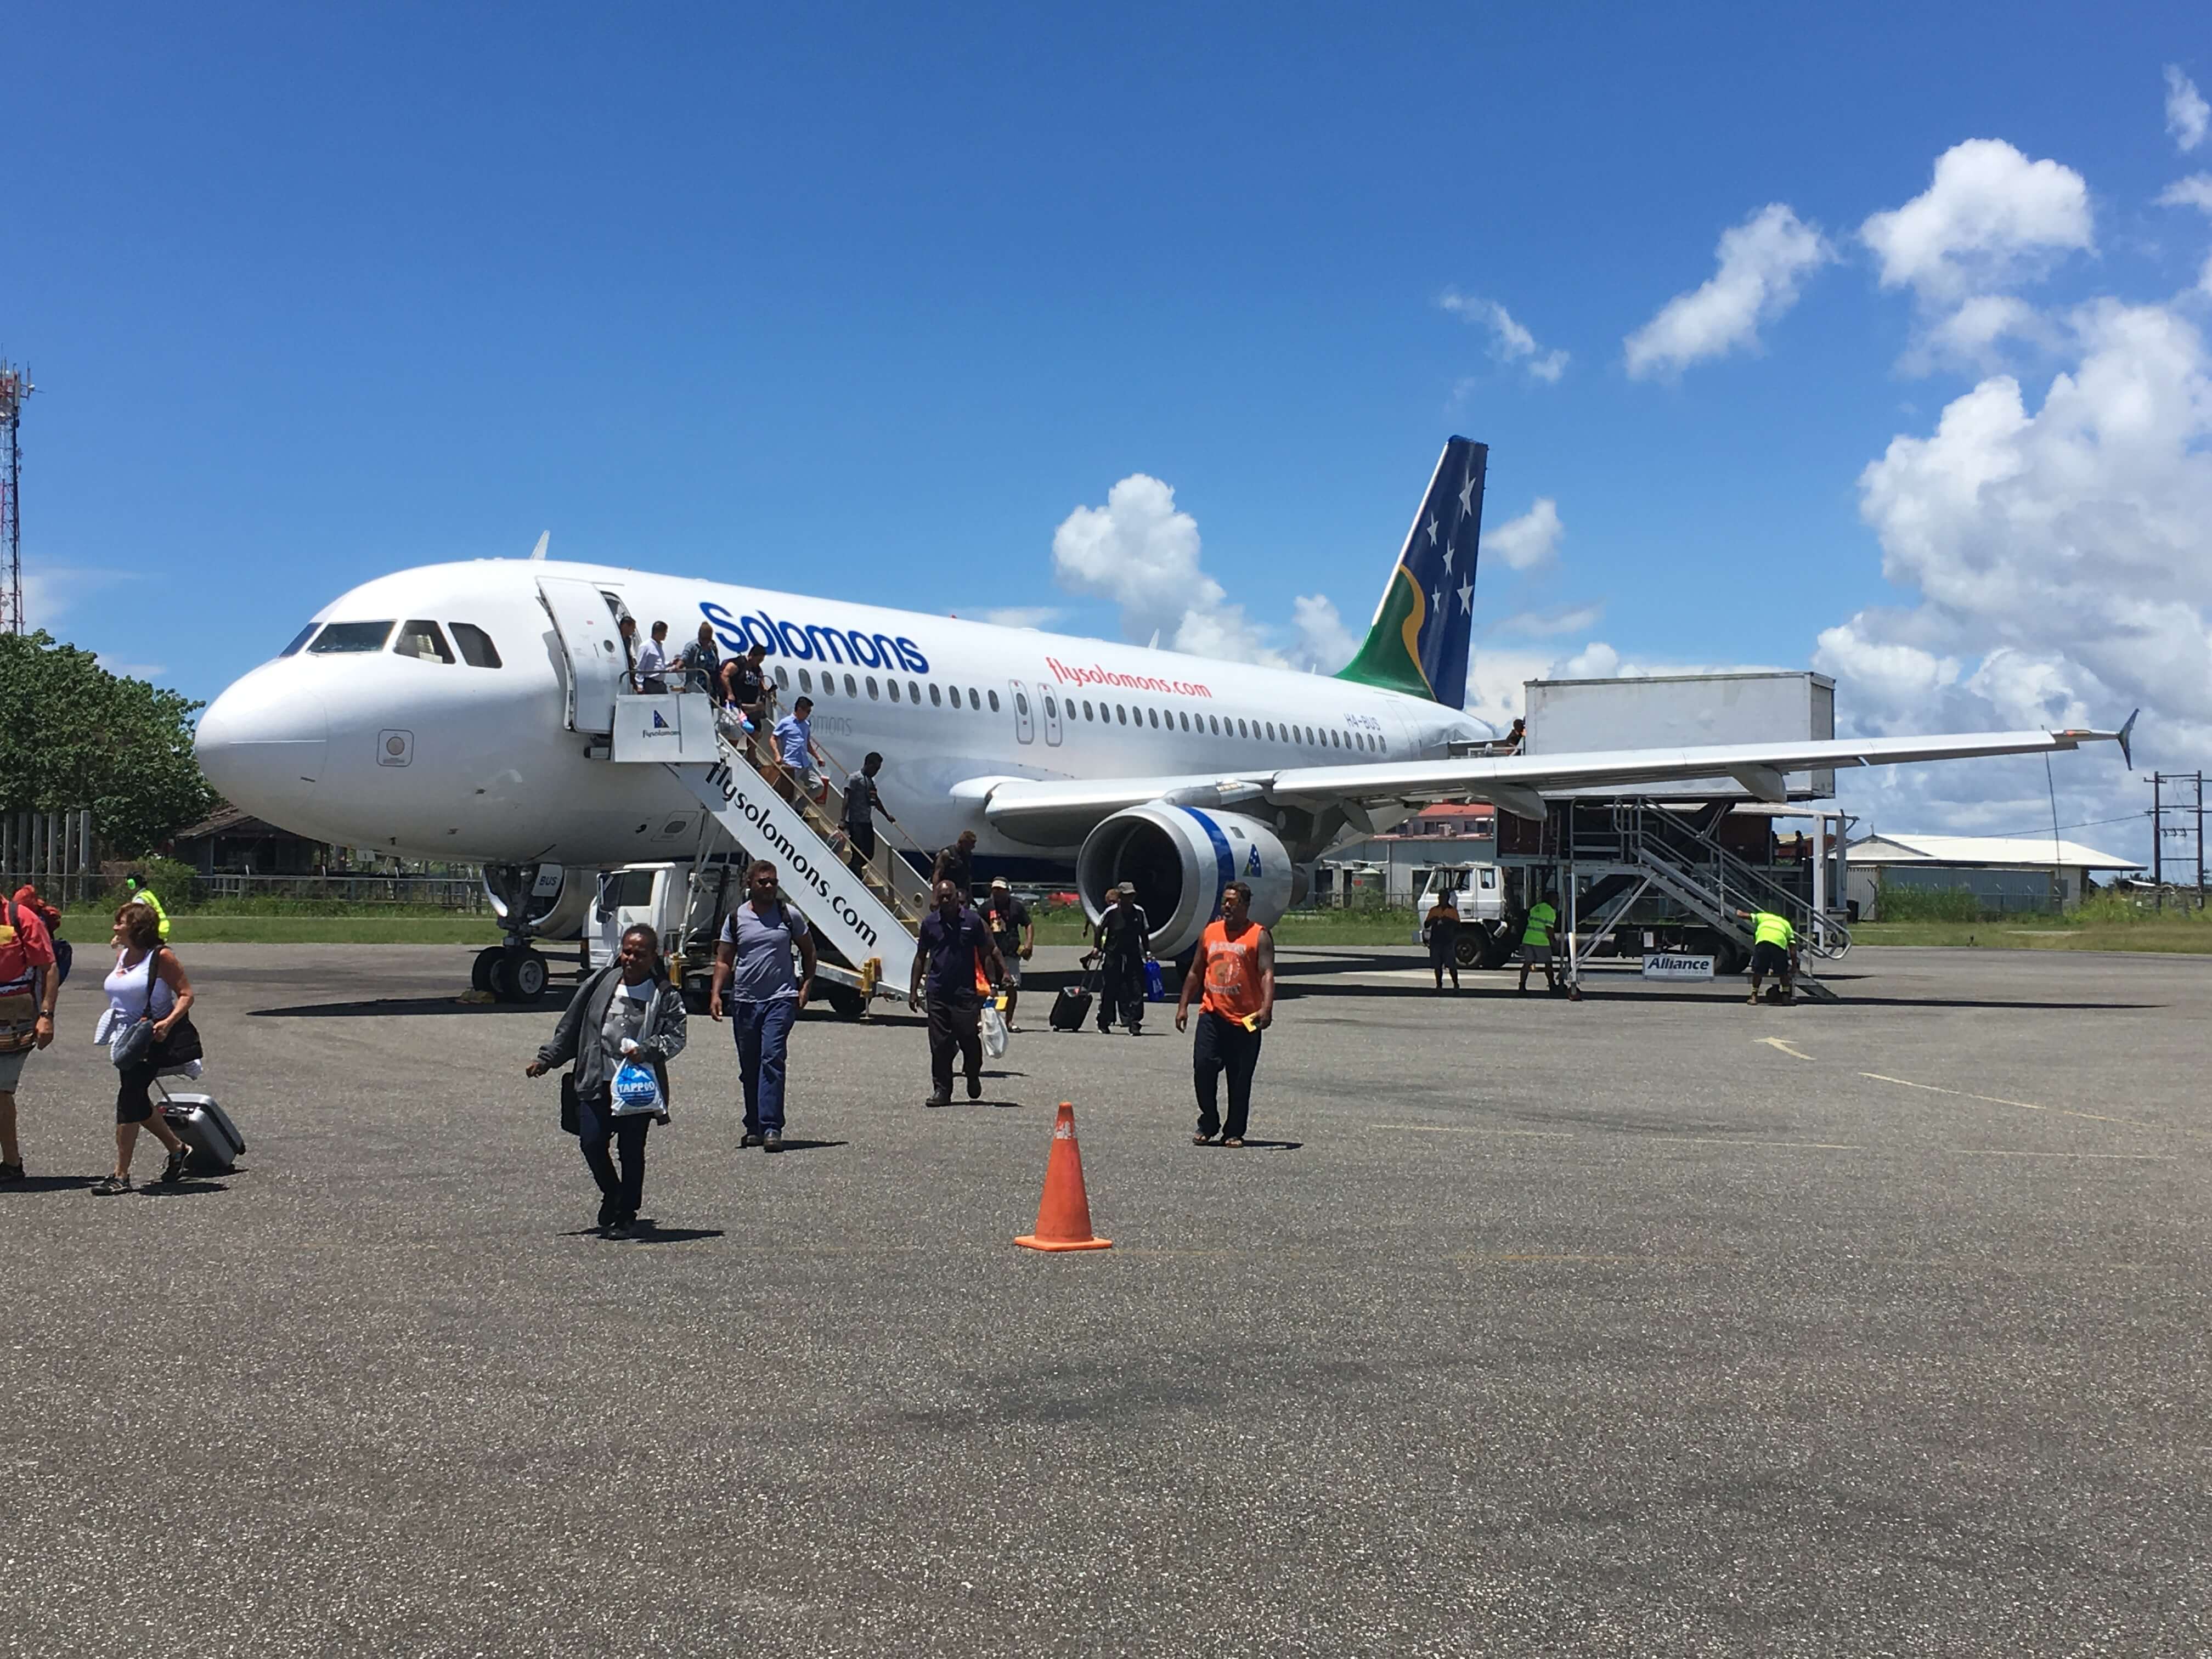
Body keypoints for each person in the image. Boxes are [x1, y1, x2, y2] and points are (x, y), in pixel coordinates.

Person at [526, 922, 688, 1239]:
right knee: (591, 1142)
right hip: (597, 1079)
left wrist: (648, 1050)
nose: (631, 959)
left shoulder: (664, 993)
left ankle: (627, 1214)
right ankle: (612, 1192)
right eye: (627, 952)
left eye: (640, 954)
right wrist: (547, 1059)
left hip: (636, 1086)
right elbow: (572, 1025)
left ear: (653, 956)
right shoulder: (601, 982)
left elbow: (677, 1036)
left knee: (631, 1151)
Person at [709, 860, 816, 1152]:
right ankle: (753, 1125)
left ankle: (772, 1127)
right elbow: (724, 960)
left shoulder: (788, 915)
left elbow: (809, 951)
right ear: (749, 884)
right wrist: (716, 994)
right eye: (763, 882)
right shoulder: (736, 919)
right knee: (750, 1065)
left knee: (772, 1058)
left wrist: (805, 985)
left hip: (780, 1000)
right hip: (744, 1001)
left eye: (773, 882)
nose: (769, 886)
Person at [94, 901, 197, 1194]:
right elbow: (122, 979)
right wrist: (118, 944)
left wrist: (167, 1022)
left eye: (121, 922)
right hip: (126, 1037)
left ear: (137, 927)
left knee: (129, 1097)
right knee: (137, 1099)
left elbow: (186, 995)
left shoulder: (161, 957)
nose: (115, 926)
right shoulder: (125, 953)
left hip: (152, 1036)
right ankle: (178, 1148)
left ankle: (121, 1175)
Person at [1175, 879, 1276, 1148]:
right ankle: (1209, 1122)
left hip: (1247, 1018)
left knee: (1240, 1078)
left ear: (1246, 905)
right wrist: (1183, 1005)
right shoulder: (1210, 932)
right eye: (1225, 901)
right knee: (1203, 1068)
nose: (1227, 907)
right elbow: (1196, 970)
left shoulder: (1259, 935)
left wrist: (1267, 1007)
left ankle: (1234, 1131)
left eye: (1233, 902)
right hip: (1212, 1013)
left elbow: (1267, 973)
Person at [909, 877, 1002, 1108]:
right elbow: (921, 957)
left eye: (949, 896)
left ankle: (972, 1073)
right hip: (938, 991)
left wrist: (992, 983)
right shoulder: (930, 924)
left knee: (968, 1037)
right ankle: (942, 1091)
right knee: (940, 1044)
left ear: (956, 897)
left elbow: (986, 952)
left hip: (966, 992)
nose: (945, 900)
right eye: (941, 897)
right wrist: (913, 990)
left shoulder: (972, 921)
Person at [0, 889, 60, 1184]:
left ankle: (11, 1164)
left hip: (12, 1020)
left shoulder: (20, 918)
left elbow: (49, 967)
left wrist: (46, 1016)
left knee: (0, 1092)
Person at [1092, 884, 1152, 1035]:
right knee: (1111, 988)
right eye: (1126, 896)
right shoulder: (1111, 913)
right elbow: (1099, 929)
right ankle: (1104, 1020)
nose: (1129, 899)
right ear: (1120, 897)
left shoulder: (1139, 912)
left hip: (1133, 954)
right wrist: (1097, 948)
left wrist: (1148, 952)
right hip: (1114, 954)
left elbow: (1144, 933)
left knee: (1136, 989)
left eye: (1132, 896)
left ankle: (1134, 1022)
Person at [983, 877, 1034, 1030]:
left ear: (1007, 891)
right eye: (995, 890)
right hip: (991, 954)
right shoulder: (986, 908)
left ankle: (1009, 1020)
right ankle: (992, 1019)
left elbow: (1028, 924)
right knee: (991, 988)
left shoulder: (1016, 907)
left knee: (1011, 987)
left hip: (1011, 952)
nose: (997, 893)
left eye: (1001, 890)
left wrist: (1029, 943)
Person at [842, 751, 897, 877]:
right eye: (875, 768)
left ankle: (853, 867)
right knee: (859, 852)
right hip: (856, 821)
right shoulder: (855, 779)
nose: (876, 771)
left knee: (869, 853)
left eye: (878, 769)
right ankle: (854, 872)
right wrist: (843, 819)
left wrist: (887, 815)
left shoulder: (871, 781)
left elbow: (876, 800)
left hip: (867, 822)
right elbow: (846, 799)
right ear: (868, 764)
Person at [1738, 907, 1799, 1005]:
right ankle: (1785, 997)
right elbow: (1792, 950)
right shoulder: (1786, 924)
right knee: (1783, 973)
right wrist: (1794, 966)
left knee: (1758, 972)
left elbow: (1745, 916)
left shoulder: (1764, 916)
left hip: (1763, 941)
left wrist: (1739, 912)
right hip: (1779, 944)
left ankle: (1754, 997)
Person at [14, 886, 70, 987]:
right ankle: (50, 985)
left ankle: (52, 984)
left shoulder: (37, 916)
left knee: (63, 947)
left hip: (40, 954)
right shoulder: (23, 916)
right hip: (31, 957)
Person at [772, 695, 822, 804]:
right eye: (808, 711)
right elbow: (773, 739)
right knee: (790, 796)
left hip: (804, 764)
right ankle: (794, 809)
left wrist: (818, 757)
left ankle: (800, 806)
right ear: (800, 709)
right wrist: (777, 755)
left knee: (819, 786)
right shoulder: (786, 723)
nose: (809, 714)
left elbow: (807, 744)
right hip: (791, 764)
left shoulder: (806, 725)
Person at [1516, 889, 1559, 995]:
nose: (1558, 902)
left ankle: (1522, 986)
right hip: (1541, 941)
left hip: (1528, 939)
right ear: (1551, 900)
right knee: (1548, 964)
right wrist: (1554, 942)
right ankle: (1552, 985)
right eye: (1556, 900)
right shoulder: (1550, 911)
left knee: (1527, 964)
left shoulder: (1536, 908)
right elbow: (1549, 929)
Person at [1425, 888, 1462, 992]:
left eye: (1444, 897)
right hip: (1436, 941)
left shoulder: (1452, 911)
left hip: (1448, 941)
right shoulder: (1434, 910)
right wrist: (1434, 919)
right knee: (1437, 966)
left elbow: (1459, 926)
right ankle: (1439, 985)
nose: (1441, 899)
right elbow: (1426, 924)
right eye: (1440, 897)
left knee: (1451, 965)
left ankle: (1456, 984)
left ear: (1448, 898)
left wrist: (1448, 921)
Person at [932, 830, 978, 901]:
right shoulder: (947, 854)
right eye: (971, 845)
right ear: (964, 843)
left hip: (960, 892)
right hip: (946, 891)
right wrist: (935, 897)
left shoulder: (968, 856)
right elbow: (937, 874)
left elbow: (968, 876)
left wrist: (970, 895)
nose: (974, 847)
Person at [679, 620, 721, 696]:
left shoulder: (713, 647)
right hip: (696, 687)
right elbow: (684, 657)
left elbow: (717, 663)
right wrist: (678, 666)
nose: (706, 641)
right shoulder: (692, 646)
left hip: (711, 687)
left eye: (708, 639)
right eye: (704, 639)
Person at [123, 873, 169, 941]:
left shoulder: (140, 898)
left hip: (154, 930)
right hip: (160, 928)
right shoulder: (147, 894)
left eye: (129, 885)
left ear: (134, 885)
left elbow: (137, 917)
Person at [636, 620, 671, 692]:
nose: (666, 635)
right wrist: (639, 685)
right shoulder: (646, 646)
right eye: (665, 633)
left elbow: (658, 664)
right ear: (659, 632)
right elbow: (640, 666)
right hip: (651, 683)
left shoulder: (659, 646)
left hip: (660, 683)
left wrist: (670, 663)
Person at [617, 614, 641, 690]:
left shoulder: (628, 640)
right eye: (632, 628)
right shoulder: (617, 638)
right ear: (625, 626)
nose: (633, 631)